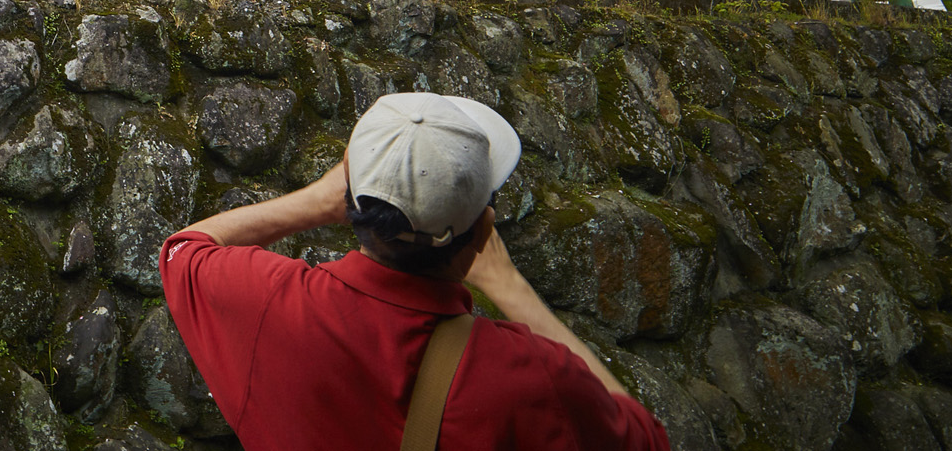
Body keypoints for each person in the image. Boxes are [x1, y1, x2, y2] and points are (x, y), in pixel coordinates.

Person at [160, 92, 671, 450]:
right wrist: (509, 286)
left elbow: (185, 249)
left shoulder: (270, 304)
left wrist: (316, 203)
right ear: (482, 226)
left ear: (353, 196)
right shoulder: (531, 377)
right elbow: (645, 439)